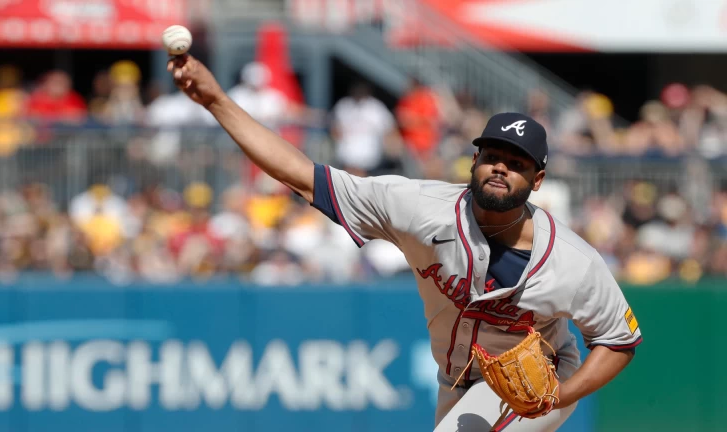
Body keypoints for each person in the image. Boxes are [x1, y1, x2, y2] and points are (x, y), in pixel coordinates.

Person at [167, 55, 642, 432]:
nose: (500, 167)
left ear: (537, 180)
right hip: (454, 379)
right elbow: (301, 175)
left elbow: (620, 342)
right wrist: (215, 101)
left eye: (516, 163)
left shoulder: (571, 260)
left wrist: (561, 396)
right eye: (492, 156)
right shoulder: (416, 206)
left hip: (542, 376)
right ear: (472, 161)